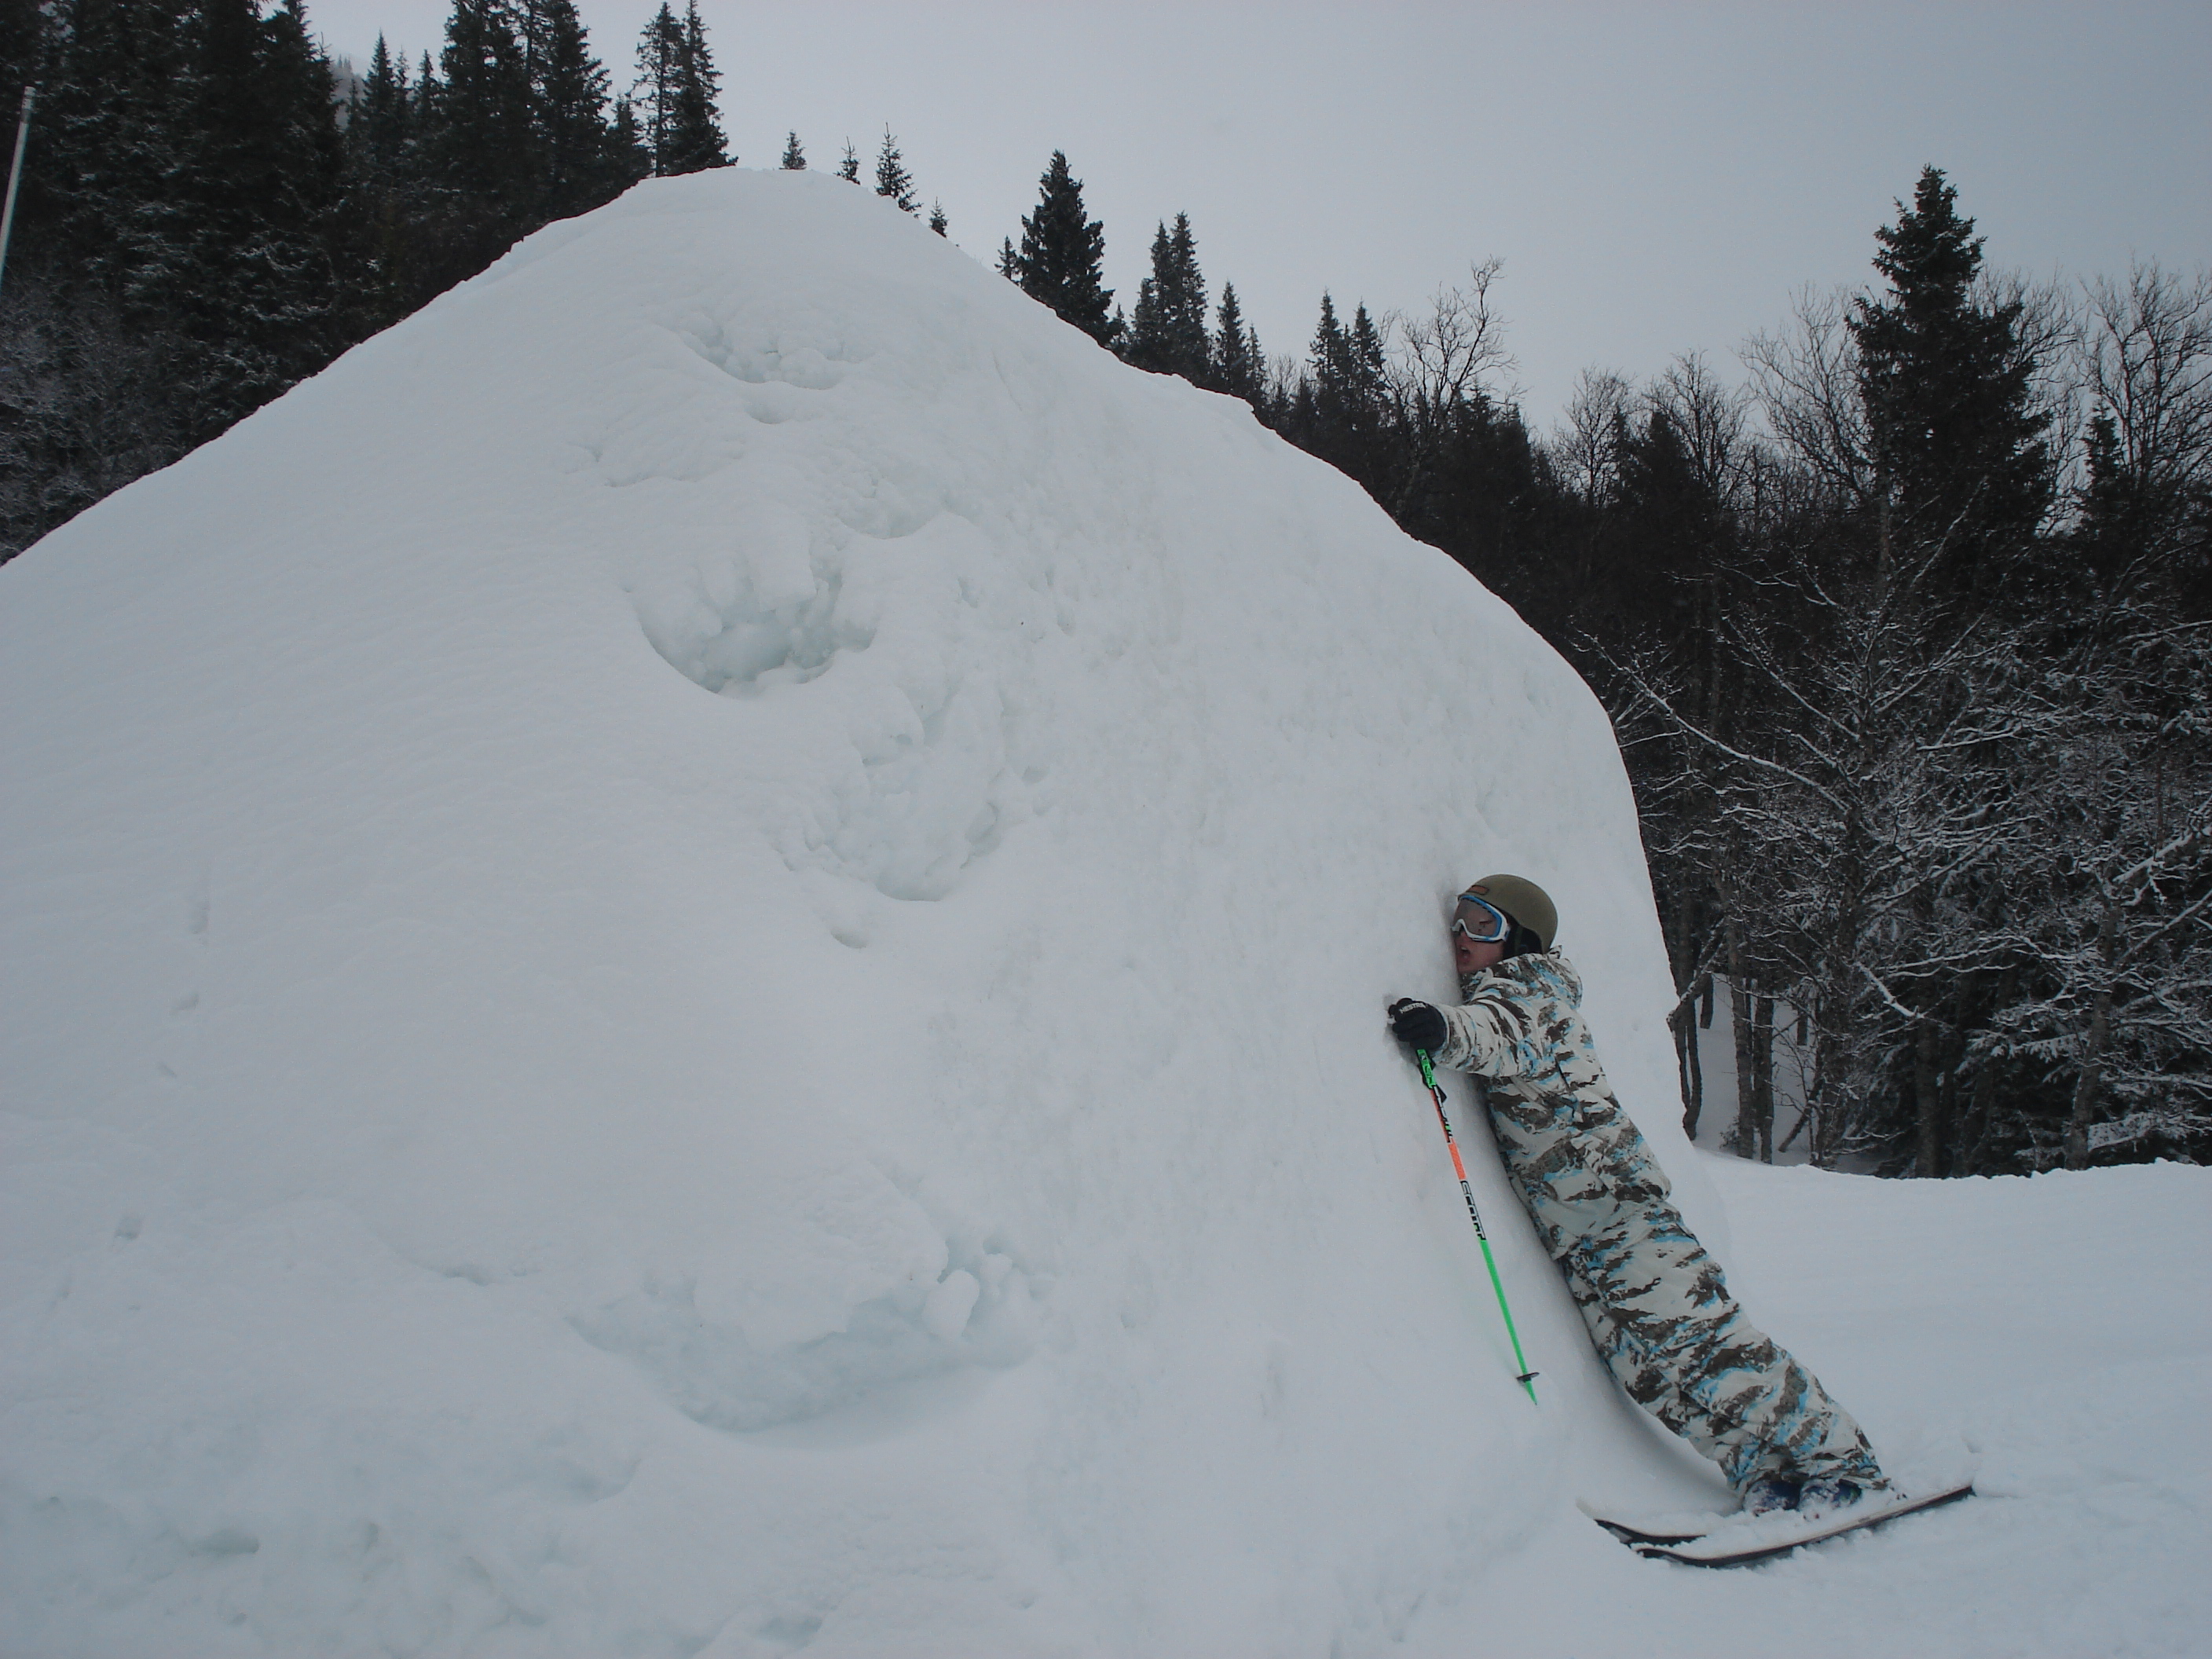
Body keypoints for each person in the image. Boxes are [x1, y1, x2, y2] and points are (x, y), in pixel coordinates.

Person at [1386, 874, 1888, 1518]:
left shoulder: (1533, 994)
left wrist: (1440, 1028)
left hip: (1623, 1213)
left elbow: (1496, 1035)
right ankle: (1764, 1467)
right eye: (1459, 919)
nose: (1463, 934)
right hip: (1582, 1232)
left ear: (1521, 941)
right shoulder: (1507, 993)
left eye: (1483, 924)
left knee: (1707, 1346)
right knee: (1648, 1368)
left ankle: (1842, 1463)